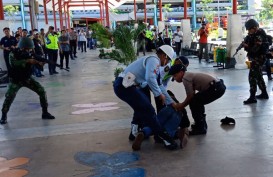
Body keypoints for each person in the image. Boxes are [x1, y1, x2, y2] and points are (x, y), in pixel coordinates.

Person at [113, 45, 178, 151]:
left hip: (123, 86)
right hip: (125, 86)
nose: (167, 64)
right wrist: (158, 94)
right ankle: (164, 138)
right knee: (149, 110)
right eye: (168, 60)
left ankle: (134, 133)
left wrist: (170, 102)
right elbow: (149, 78)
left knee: (141, 107)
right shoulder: (154, 60)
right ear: (164, 56)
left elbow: (159, 85)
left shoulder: (154, 63)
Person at [0, 37, 55, 124]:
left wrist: (39, 63)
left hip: (27, 78)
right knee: (9, 97)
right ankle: (3, 116)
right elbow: (14, 64)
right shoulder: (13, 53)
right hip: (16, 80)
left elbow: (37, 63)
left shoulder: (30, 54)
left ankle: (45, 113)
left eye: (29, 48)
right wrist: (27, 61)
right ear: (22, 47)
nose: (29, 50)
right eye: (27, 48)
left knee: (42, 91)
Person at [169, 63, 226, 135]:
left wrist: (181, 106)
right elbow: (192, 94)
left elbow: (190, 96)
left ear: (181, 72)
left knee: (194, 102)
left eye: (175, 76)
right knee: (197, 101)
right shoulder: (188, 75)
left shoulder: (185, 78)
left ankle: (200, 128)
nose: (175, 79)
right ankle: (202, 125)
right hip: (218, 86)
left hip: (216, 88)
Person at [243, 19, 269, 104]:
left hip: (259, 59)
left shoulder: (259, 36)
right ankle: (264, 93)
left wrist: (247, 47)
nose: (249, 31)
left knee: (252, 77)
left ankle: (252, 97)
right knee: (258, 76)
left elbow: (254, 50)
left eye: (249, 29)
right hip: (257, 58)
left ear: (254, 27)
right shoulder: (254, 35)